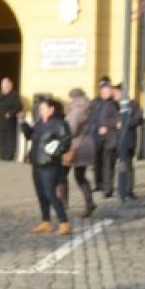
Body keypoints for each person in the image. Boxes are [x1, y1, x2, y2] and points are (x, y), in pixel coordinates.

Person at [21, 97, 72, 235]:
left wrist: (56, 151)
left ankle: (64, 221)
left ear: (51, 109)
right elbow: (31, 136)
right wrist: (24, 125)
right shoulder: (39, 123)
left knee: (50, 193)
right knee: (41, 194)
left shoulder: (59, 123)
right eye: (40, 109)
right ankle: (46, 221)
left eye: (43, 109)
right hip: (37, 162)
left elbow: (66, 141)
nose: (40, 111)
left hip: (50, 164)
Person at [62, 88, 97, 218]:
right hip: (87, 145)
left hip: (76, 147)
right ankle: (90, 203)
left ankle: (63, 204)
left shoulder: (77, 109)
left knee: (61, 174)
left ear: (74, 97)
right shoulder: (89, 107)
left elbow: (71, 129)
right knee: (80, 176)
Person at [87, 78, 119, 196]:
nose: (107, 92)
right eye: (104, 90)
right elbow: (90, 118)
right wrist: (95, 130)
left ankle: (108, 188)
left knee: (108, 164)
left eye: (108, 90)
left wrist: (107, 127)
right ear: (100, 91)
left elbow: (118, 120)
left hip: (110, 137)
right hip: (96, 137)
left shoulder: (114, 103)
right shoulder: (94, 102)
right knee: (97, 162)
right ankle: (98, 183)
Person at [113, 82, 144, 203]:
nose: (114, 95)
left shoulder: (133, 104)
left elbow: (138, 119)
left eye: (116, 92)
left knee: (128, 165)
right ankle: (112, 188)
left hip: (128, 139)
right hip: (113, 139)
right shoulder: (112, 105)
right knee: (114, 165)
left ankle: (128, 190)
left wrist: (125, 123)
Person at [0, 77, 22, 161]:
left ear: (10, 85)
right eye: (3, 85)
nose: (4, 87)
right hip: (0, 120)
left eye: (6, 85)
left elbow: (19, 106)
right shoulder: (0, 95)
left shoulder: (14, 95)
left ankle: (9, 155)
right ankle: (2, 154)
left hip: (9, 120)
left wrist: (10, 113)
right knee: (1, 137)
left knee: (9, 138)